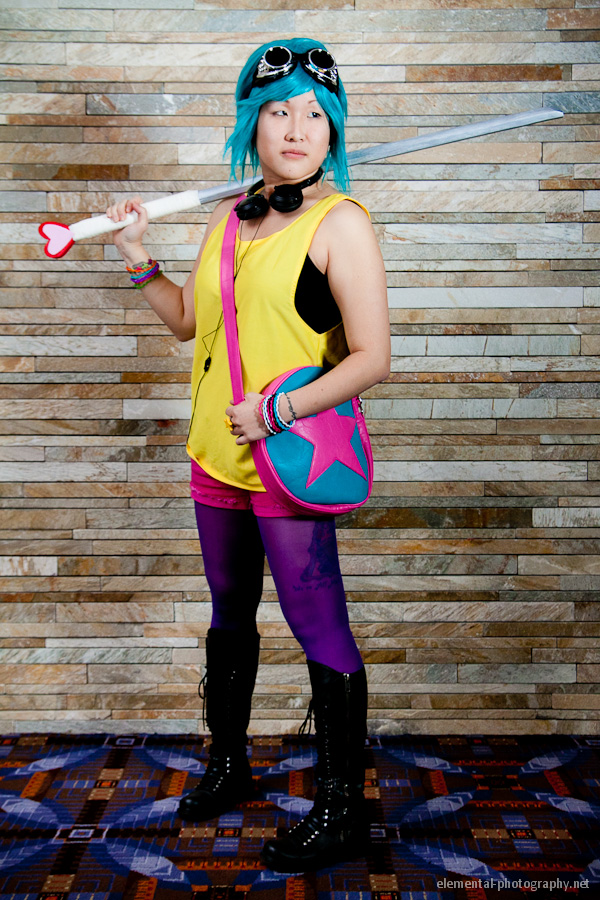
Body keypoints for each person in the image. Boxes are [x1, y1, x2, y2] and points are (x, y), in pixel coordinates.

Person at [105, 37, 390, 874]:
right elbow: (188, 321)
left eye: (315, 114)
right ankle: (229, 765)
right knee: (230, 613)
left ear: (333, 130)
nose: (297, 130)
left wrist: (276, 410)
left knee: (318, 627)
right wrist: (136, 254)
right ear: (251, 125)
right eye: (278, 112)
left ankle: (341, 811)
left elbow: (373, 357)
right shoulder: (228, 217)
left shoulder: (341, 224)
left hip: (289, 461)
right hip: (214, 458)